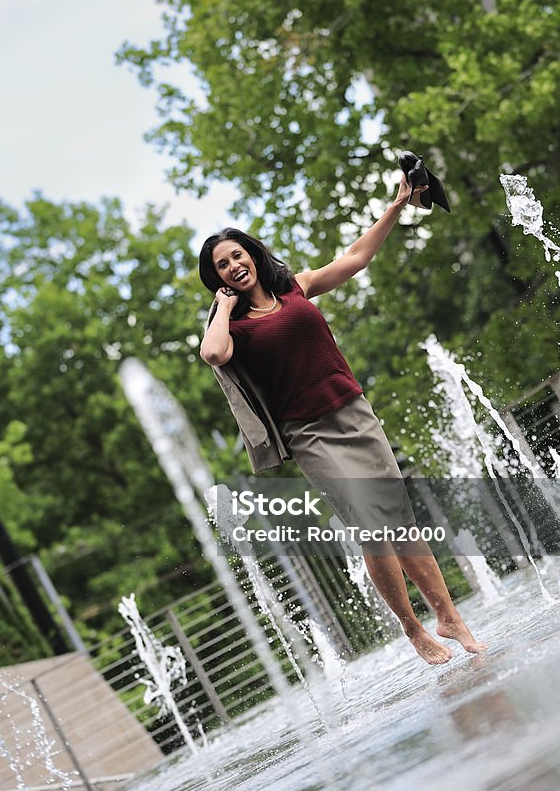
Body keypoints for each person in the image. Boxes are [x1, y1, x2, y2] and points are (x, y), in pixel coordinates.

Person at [198, 165, 486, 665]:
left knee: (401, 522)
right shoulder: (234, 326)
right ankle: (413, 628)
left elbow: (355, 258)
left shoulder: (294, 288)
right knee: (372, 528)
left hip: (353, 413)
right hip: (309, 433)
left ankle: (449, 616)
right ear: (217, 277)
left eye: (237, 255)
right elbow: (214, 355)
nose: (233, 266)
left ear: (252, 254)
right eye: (222, 265)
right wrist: (222, 307)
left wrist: (397, 205)